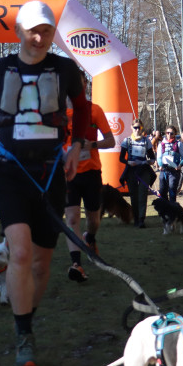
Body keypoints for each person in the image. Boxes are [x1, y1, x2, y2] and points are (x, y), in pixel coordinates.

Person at [0, 0, 90, 366]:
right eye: (32, 30)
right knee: (19, 253)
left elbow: (81, 110)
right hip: (10, 171)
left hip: (51, 175)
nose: (39, 37)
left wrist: (75, 146)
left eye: (46, 30)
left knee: (42, 266)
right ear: (18, 32)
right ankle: (23, 337)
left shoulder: (65, 68)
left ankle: (26, 320)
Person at [64, 101, 115, 282]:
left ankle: (89, 237)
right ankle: (76, 264)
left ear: (84, 85)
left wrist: (91, 145)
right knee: (71, 219)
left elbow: (111, 141)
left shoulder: (94, 110)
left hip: (91, 173)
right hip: (68, 173)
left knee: (94, 219)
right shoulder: (56, 111)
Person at [118, 120, 156, 228]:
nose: (137, 130)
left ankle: (141, 219)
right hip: (131, 171)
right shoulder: (127, 141)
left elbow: (152, 157)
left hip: (144, 170)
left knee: (142, 195)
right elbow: (121, 158)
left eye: (139, 127)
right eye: (135, 127)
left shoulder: (146, 141)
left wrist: (148, 161)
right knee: (133, 196)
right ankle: (135, 218)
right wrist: (128, 162)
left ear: (142, 128)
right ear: (131, 127)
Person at [156, 125, 183, 202]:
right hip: (164, 170)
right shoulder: (161, 144)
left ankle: (173, 210)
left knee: (172, 190)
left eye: (171, 133)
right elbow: (159, 157)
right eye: (167, 133)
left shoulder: (179, 144)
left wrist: (180, 165)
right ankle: (164, 211)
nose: (169, 135)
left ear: (175, 134)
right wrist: (160, 165)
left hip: (174, 171)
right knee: (162, 191)